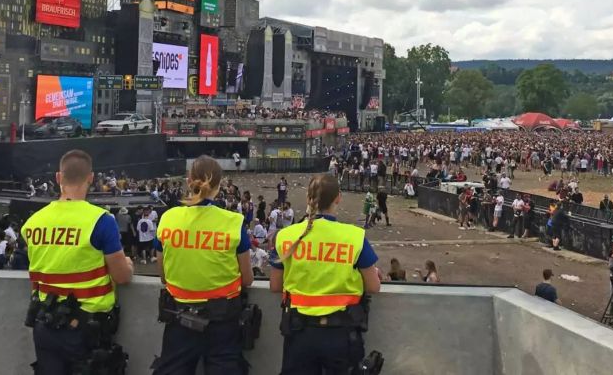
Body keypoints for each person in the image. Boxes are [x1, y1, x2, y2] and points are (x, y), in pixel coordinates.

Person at [21, 150, 132, 374]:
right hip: (85, 331)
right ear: (91, 178)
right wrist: (128, 264)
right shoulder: (101, 221)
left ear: (57, 178)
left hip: (44, 325)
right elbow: (121, 276)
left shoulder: (32, 223)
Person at [152, 155, 254, 375]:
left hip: (179, 317)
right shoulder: (233, 222)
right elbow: (247, 279)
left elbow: (163, 276)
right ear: (219, 186)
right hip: (223, 322)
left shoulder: (168, 218)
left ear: (189, 181)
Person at [269, 174, 381, 374]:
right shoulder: (353, 237)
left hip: (299, 333)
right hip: (342, 334)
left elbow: (276, 286)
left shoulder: (286, 236)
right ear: (338, 198)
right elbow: (373, 286)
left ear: (308, 198)